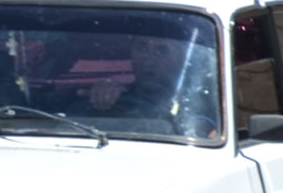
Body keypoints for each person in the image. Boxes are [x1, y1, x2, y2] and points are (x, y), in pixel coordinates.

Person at [87, 33, 222, 141]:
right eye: (141, 48)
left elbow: (204, 137)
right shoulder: (116, 97)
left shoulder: (199, 103)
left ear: (181, 59)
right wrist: (101, 98)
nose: (149, 60)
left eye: (162, 50)